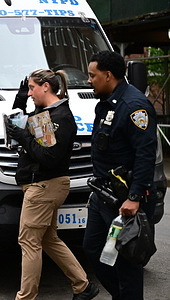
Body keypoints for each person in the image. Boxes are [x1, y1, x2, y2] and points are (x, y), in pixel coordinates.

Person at [7, 69, 99, 300]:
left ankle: (25, 297)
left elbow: (48, 156)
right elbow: (27, 120)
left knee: (28, 241)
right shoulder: (47, 112)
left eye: (31, 88)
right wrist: (20, 99)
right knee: (48, 239)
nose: (29, 94)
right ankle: (83, 286)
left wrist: (23, 137)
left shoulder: (61, 118)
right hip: (43, 185)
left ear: (46, 87)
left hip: (44, 187)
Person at [83, 50, 157, 299]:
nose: (89, 80)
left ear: (108, 75)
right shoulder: (104, 103)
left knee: (127, 261)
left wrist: (135, 197)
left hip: (124, 198)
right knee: (93, 249)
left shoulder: (134, 106)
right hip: (101, 195)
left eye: (92, 75)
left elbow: (145, 155)